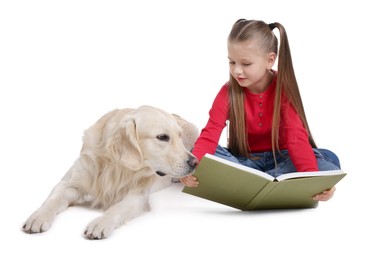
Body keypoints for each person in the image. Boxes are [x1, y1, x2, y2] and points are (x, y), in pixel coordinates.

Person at [181, 19, 341, 202]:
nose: (237, 71)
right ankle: (268, 182)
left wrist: (314, 181)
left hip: (282, 159)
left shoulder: (284, 89)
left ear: (270, 60)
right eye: (232, 62)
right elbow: (210, 133)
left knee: (329, 160)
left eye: (246, 64)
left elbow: (295, 137)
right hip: (245, 162)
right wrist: (193, 168)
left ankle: (257, 182)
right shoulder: (228, 92)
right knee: (197, 153)